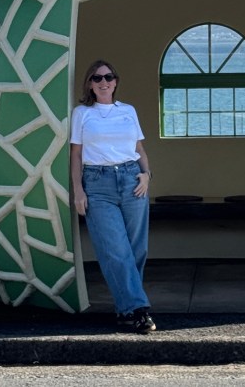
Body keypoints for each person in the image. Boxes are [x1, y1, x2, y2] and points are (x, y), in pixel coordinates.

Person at [70, 59, 156, 333]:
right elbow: (76, 155)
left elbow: (139, 148)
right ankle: (139, 309)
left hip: (133, 181)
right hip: (98, 183)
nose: (104, 81)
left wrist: (147, 175)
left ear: (116, 81)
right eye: (97, 78)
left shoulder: (128, 111)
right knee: (116, 251)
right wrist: (78, 191)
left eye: (109, 77)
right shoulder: (82, 113)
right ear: (90, 84)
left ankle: (126, 310)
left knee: (136, 250)